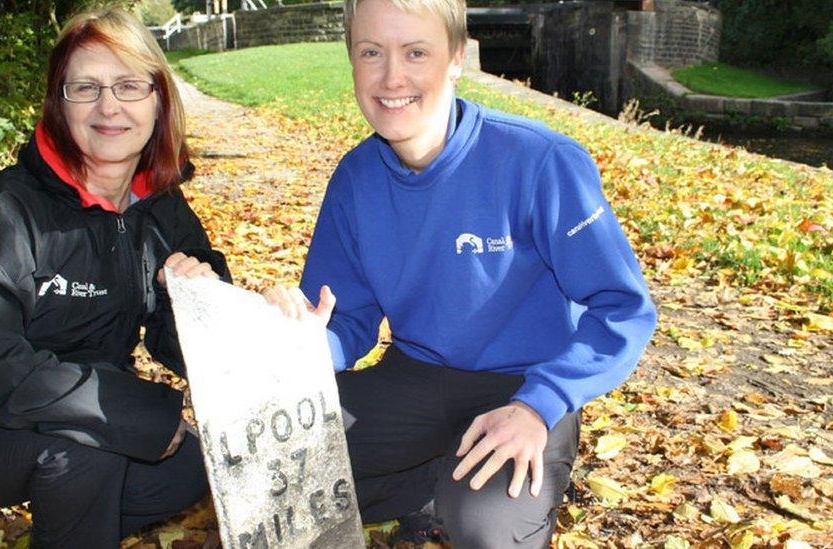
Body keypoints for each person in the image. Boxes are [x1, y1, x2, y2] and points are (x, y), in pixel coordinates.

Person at [265, 0, 658, 545]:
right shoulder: (355, 179)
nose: (392, 76)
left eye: (416, 52)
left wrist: (538, 406)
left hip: (523, 386)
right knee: (267, 465)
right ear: (352, 60)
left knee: (483, 530)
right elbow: (346, 320)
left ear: (456, 58)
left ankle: (479, 493)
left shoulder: (541, 161)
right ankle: (430, 486)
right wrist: (304, 343)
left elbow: (624, 307)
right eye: (371, 53)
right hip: (413, 376)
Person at [0, 9, 228, 547]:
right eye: (86, 87)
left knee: (196, 464)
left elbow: (188, 347)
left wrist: (199, 295)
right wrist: (133, 415)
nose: (109, 106)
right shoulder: (2, 215)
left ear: (158, 99)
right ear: (59, 104)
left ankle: (74, 526)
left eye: (129, 85)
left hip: (86, 406)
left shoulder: (160, 205)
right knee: (87, 451)